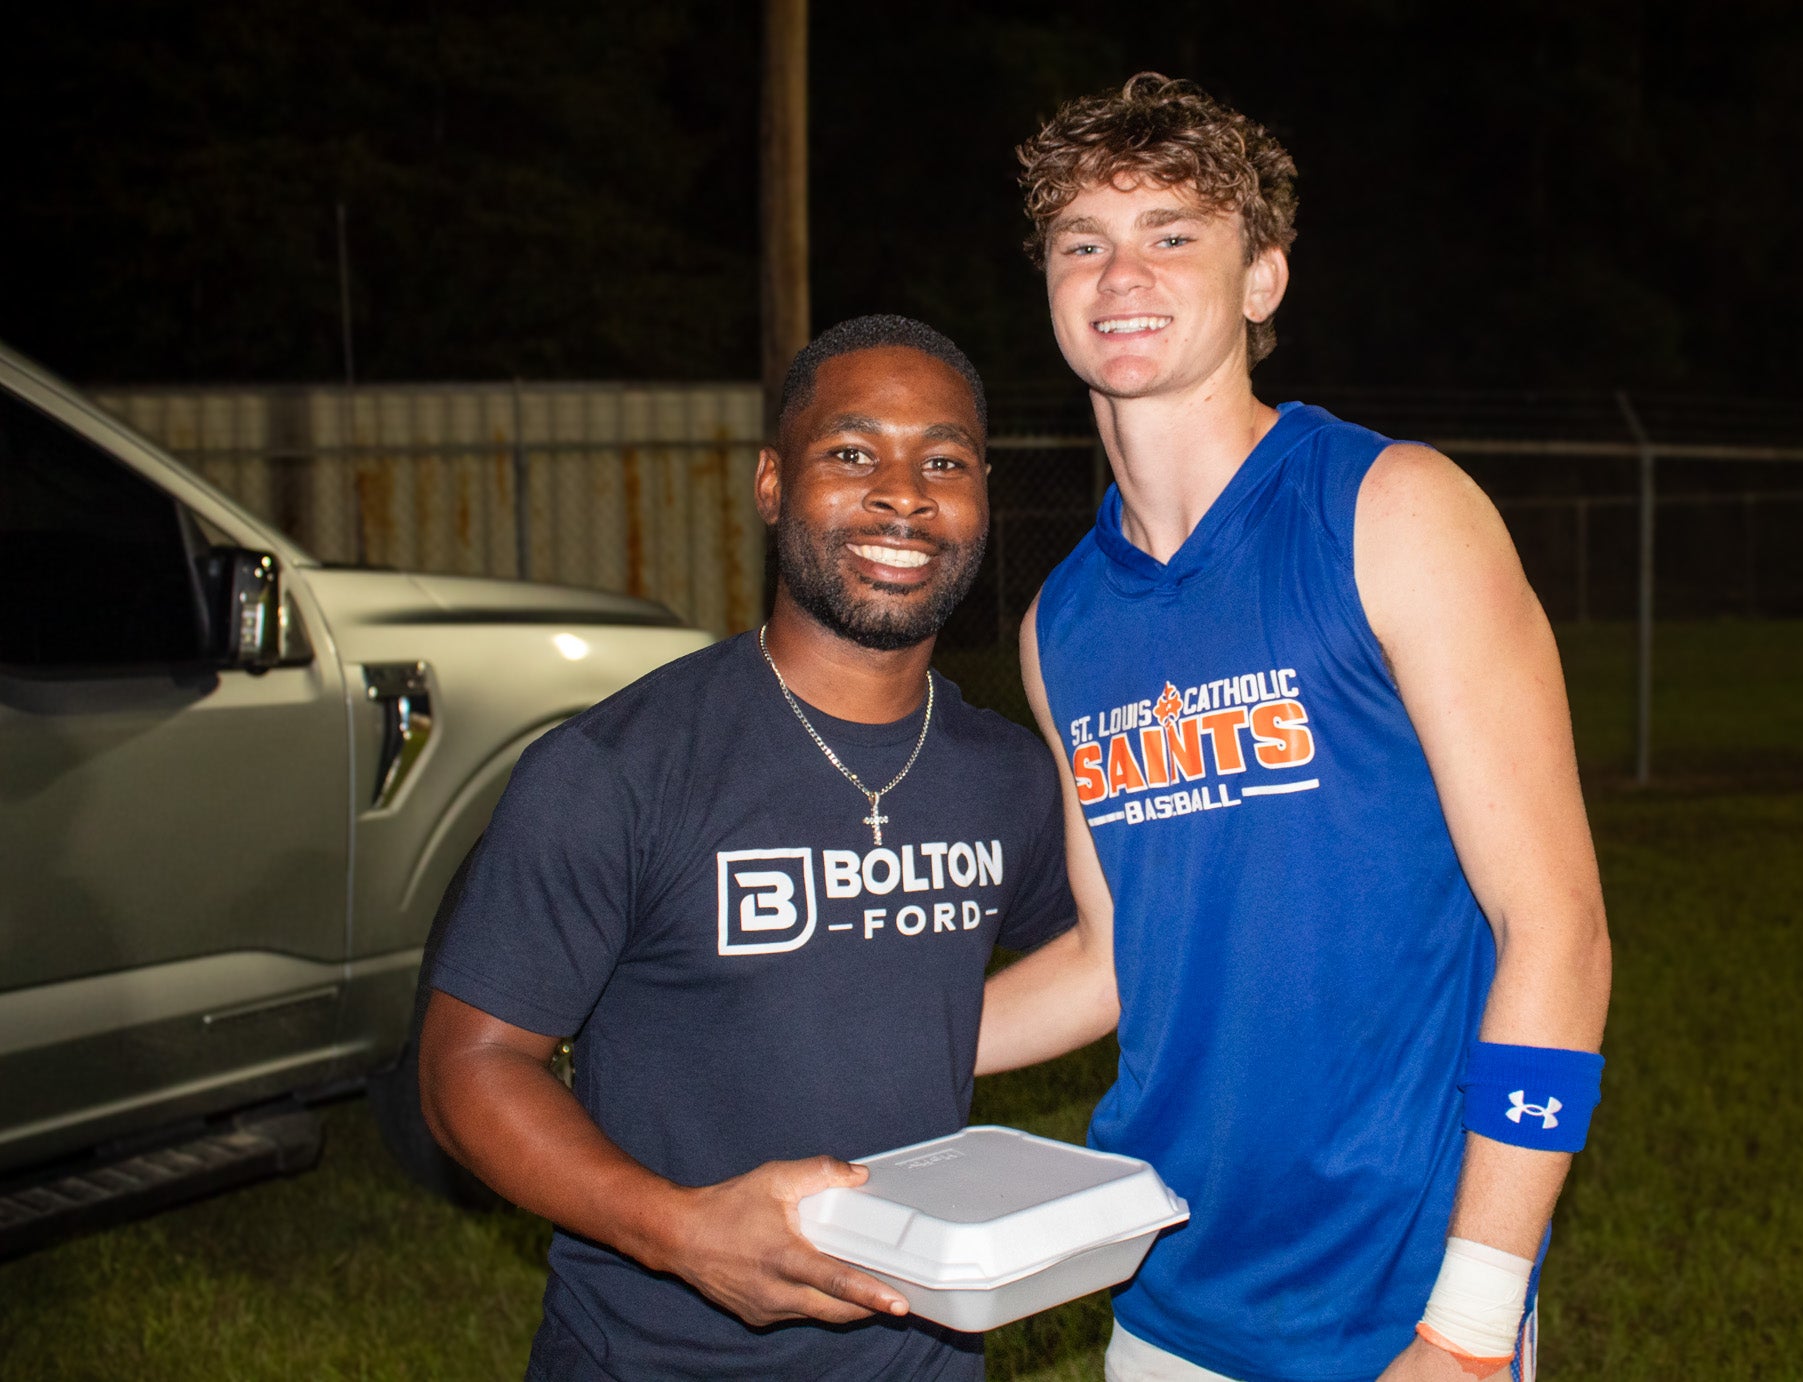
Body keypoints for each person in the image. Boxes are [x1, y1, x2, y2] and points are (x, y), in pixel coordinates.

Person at [976, 75, 1614, 1382]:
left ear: (1262, 277)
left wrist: (1471, 1324)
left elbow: (1555, 928)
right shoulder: (1060, 624)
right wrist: (837, 1038)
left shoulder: (1393, 512)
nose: (1119, 274)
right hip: (1166, 1289)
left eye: (1171, 233)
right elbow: (1109, 961)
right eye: (1082, 241)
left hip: (1402, 1313)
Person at [418, 314, 1076, 1381]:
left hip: (924, 1356)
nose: (902, 494)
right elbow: (468, 1068)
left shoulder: (1007, 776)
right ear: (773, 484)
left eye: (943, 462)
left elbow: (1116, 957)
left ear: (983, 499)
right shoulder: (616, 768)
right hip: (651, 1358)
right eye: (851, 454)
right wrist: (679, 1231)